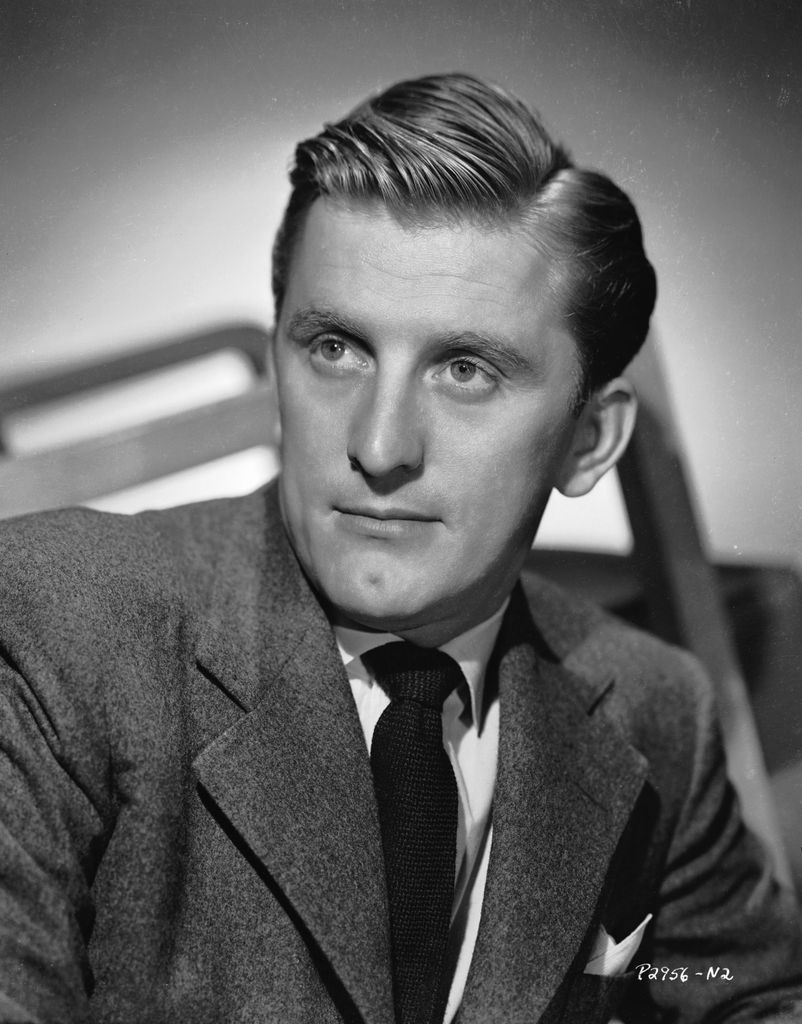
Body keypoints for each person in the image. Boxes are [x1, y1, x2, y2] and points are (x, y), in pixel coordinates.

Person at [0, 72, 800, 1024]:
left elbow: (740, 996)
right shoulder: (55, 624)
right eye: (336, 347)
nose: (378, 449)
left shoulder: (656, 707)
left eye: (465, 370)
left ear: (588, 443)